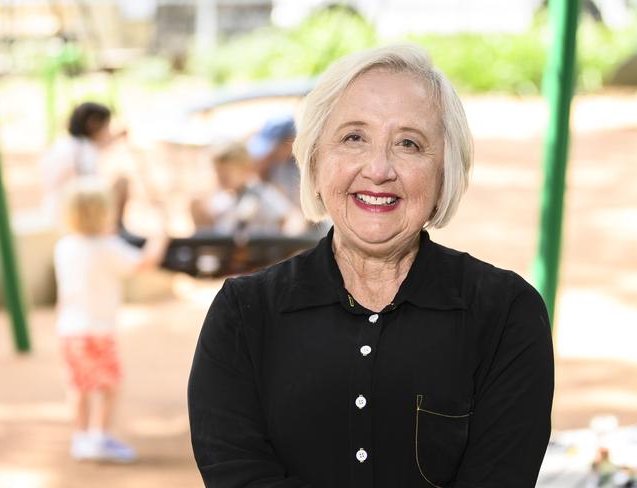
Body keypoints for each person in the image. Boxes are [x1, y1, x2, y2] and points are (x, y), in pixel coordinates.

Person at [188, 44, 554, 487]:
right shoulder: (244, 314)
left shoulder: (505, 314)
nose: (379, 169)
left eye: (409, 143)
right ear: (316, 162)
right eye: (354, 137)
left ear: (444, 174)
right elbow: (238, 476)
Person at [54, 177, 167, 462]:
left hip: (69, 330)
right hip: (99, 331)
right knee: (109, 386)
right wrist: (160, 237)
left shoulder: (65, 246)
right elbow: (143, 262)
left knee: (79, 386)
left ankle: (81, 438)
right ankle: (99, 437)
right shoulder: (107, 248)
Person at [39, 101, 128, 229]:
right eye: (106, 127)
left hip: (54, 209)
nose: (108, 132)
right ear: (93, 124)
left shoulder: (65, 144)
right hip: (71, 217)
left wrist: (117, 137)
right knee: (121, 183)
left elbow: (104, 143)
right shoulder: (84, 151)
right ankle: (116, 227)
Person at [190, 140, 302, 236]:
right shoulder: (222, 199)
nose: (220, 177)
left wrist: (283, 245)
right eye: (217, 172)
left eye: (225, 173)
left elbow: (293, 218)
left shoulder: (259, 193)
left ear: (244, 169)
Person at [248, 114, 301, 207]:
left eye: (274, 150)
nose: (267, 156)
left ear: (291, 141)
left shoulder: (304, 168)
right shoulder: (274, 165)